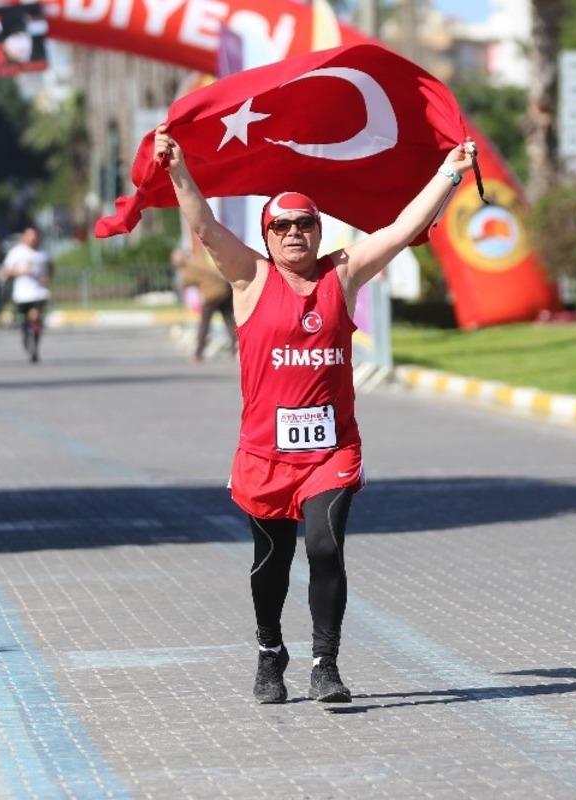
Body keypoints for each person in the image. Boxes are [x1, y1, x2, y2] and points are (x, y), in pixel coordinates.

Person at [154, 122, 476, 704]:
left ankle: (325, 663)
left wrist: (450, 172)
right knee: (271, 562)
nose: (295, 233)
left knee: (325, 547)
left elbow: (404, 229)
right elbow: (203, 227)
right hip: (264, 455)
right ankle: (269, 652)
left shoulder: (342, 274)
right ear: (268, 235)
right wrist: (178, 170)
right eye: (283, 226)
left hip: (331, 450)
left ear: (319, 231)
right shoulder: (250, 277)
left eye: (306, 224)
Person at [173, 245, 238, 362]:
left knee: (204, 325)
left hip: (212, 295)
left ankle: (198, 353)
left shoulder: (190, 266)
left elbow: (186, 282)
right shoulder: (198, 260)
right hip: (225, 290)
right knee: (230, 322)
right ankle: (236, 350)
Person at [2, 226, 50, 363]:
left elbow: (50, 267)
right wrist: (21, 272)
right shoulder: (16, 253)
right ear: (24, 237)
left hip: (39, 292)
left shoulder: (43, 253)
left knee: (35, 317)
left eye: (35, 236)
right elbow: (6, 271)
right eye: (30, 236)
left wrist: (47, 277)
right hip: (22, 294)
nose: (33, 239)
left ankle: (35, 347)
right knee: (25, 322)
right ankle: (25, 337)